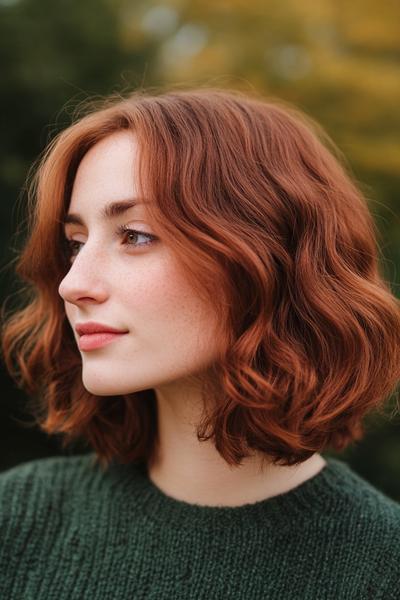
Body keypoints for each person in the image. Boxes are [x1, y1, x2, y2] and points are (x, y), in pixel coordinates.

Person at [0, 87, 399, 599]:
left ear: (265, 259)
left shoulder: (380, 567)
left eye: (135, 236)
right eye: (75, 244)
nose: (73, 283)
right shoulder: (19, 519)